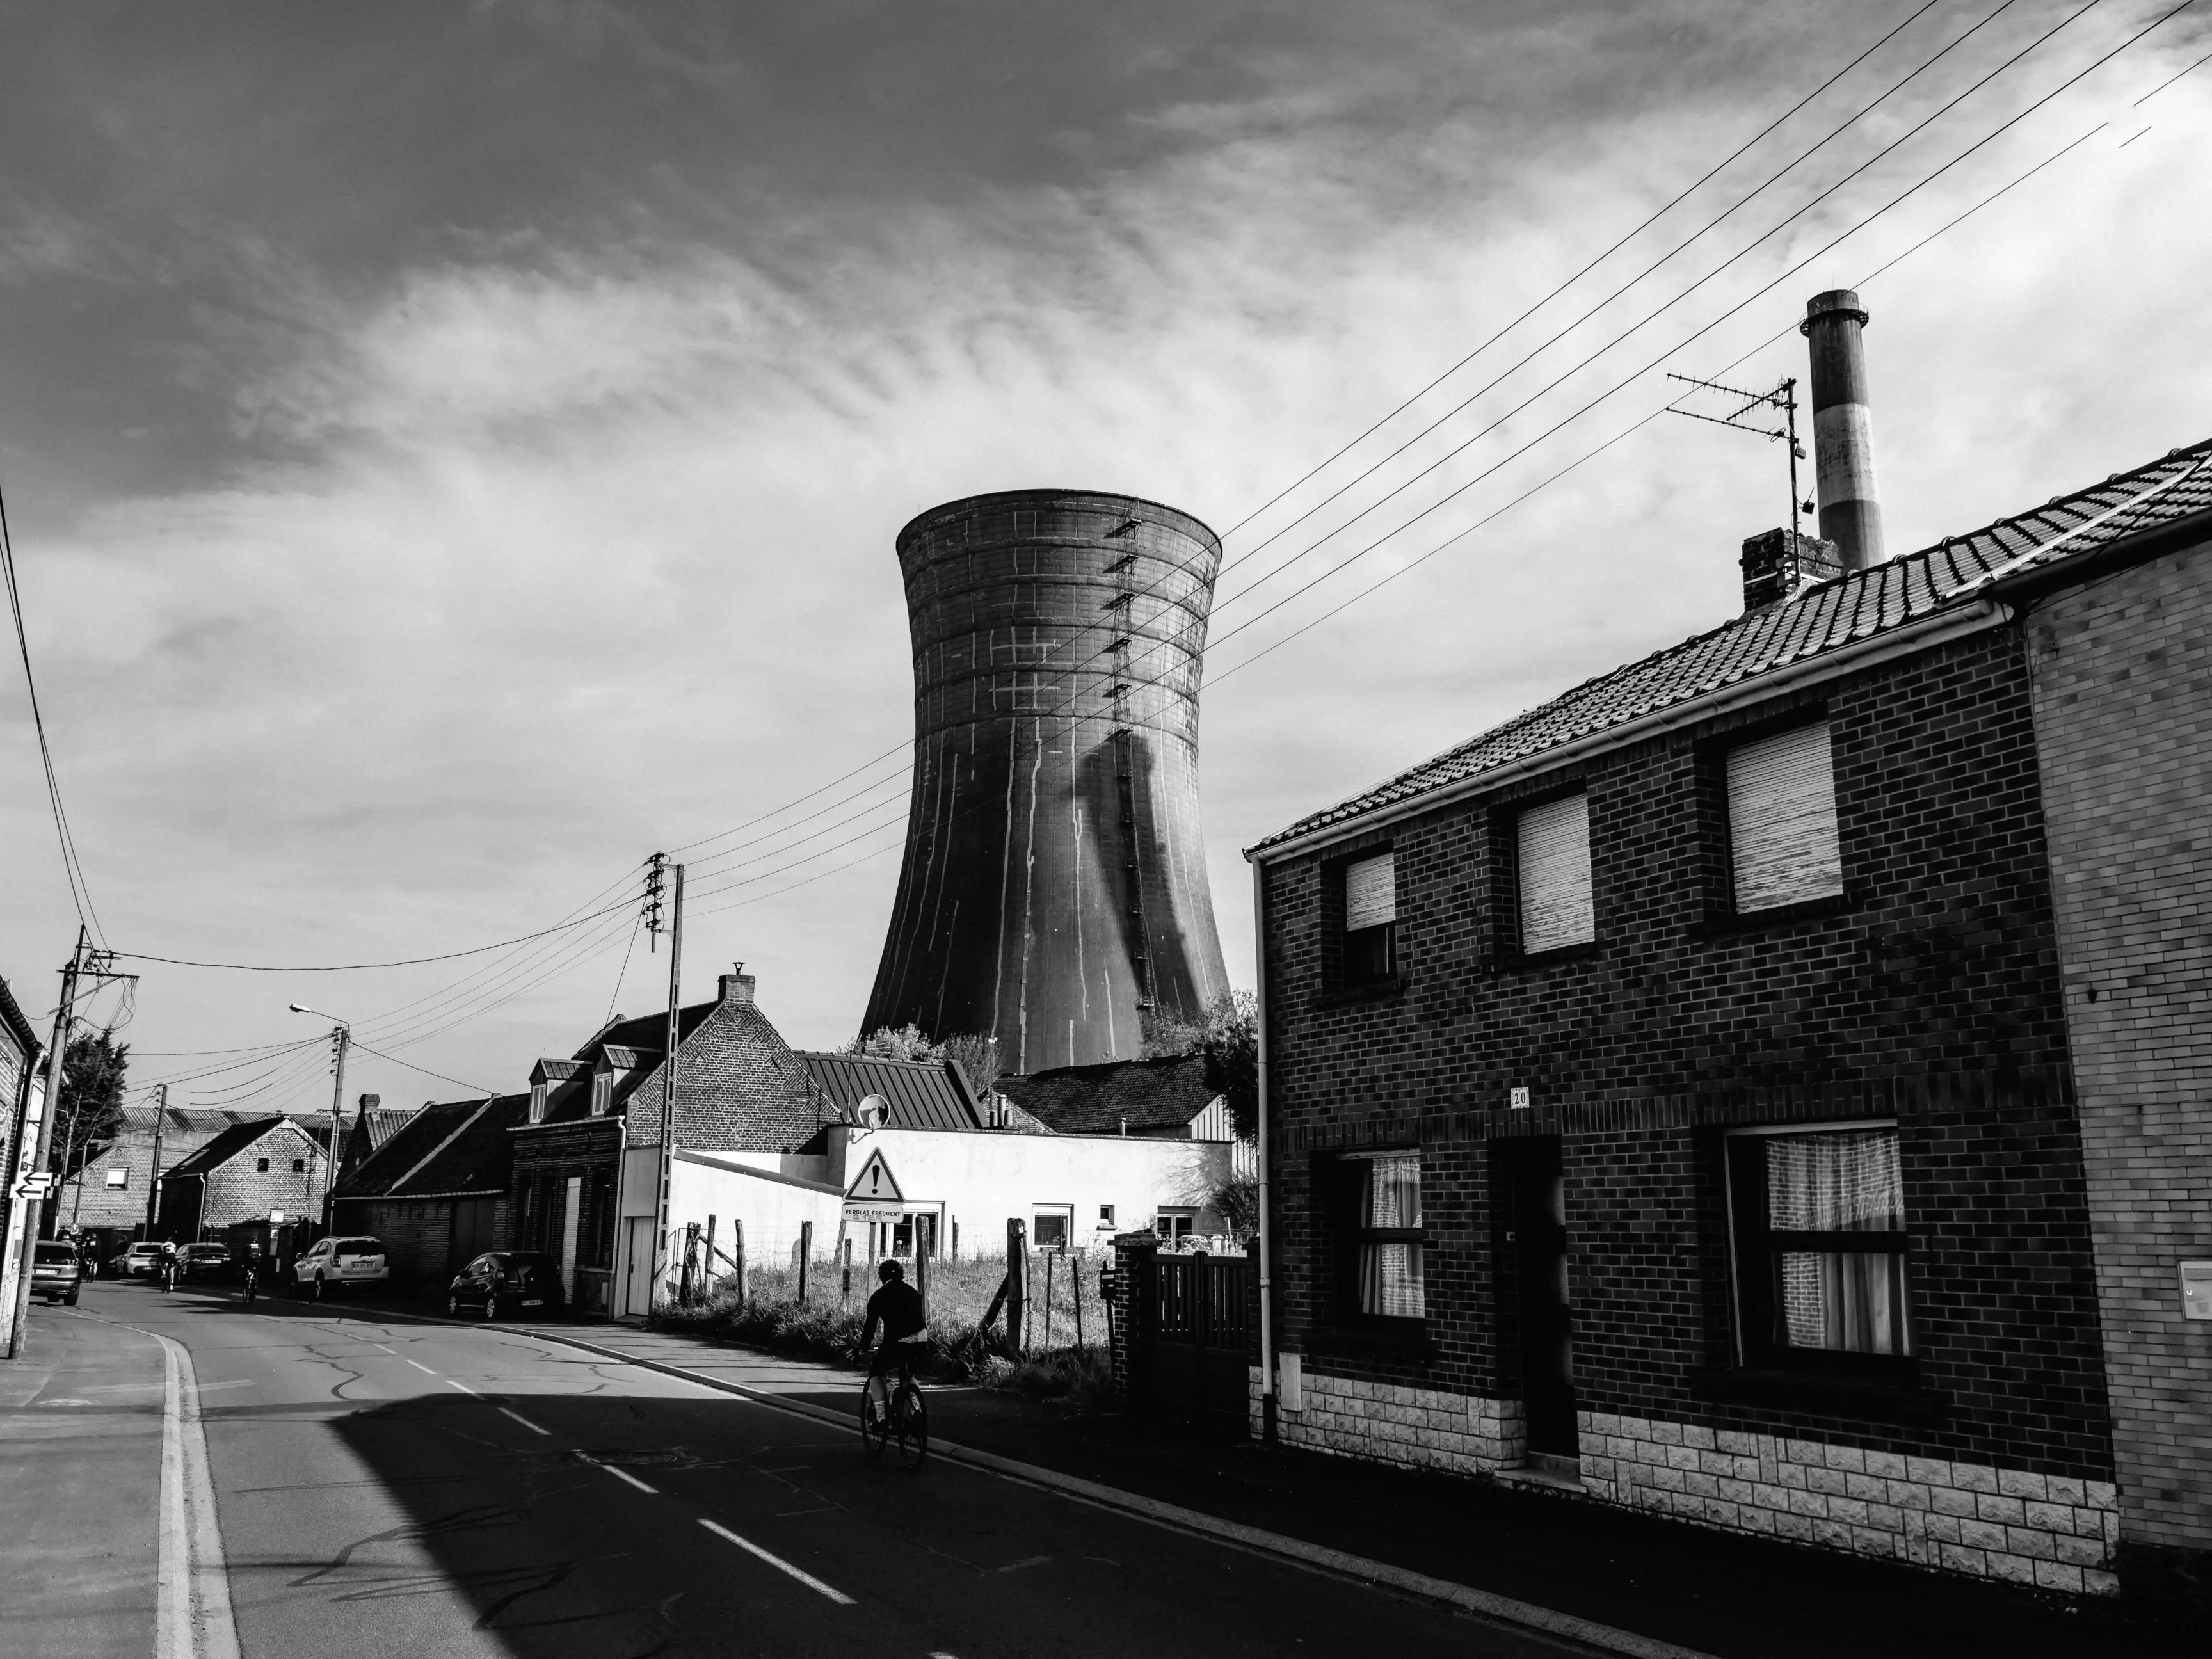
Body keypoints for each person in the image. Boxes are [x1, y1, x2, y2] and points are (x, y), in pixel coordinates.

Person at [857, 1259, 927, 1391]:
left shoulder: (879, 1296)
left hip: (897, 1342)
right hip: (920, 1340)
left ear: (882, 1277)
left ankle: (881, 1409)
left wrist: (863, 1347)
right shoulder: (914, 1293)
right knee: (908, 1374)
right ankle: (915, 1402)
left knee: (876, 1369)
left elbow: (870, 1326)